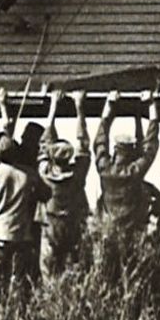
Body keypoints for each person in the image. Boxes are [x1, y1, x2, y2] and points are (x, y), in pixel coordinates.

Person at [94, 90, 160, 256]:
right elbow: (150, 146)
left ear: (115, 151)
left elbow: (100, 140)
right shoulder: (134, 172)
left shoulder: (105, 170)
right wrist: (152, 105)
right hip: (131, 236)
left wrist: (109, 105)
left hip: (108, 234)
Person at [0, 132, 39, 300]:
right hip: (21, 235)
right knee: (17, 280)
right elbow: (44, 194)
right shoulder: (29, 174)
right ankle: (15, 316)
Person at [37, 90, 93, 277]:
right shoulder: (77, 175)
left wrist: (53, 105)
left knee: (48, 274)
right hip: (71, 227)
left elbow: (45, 142)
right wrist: (79, 106)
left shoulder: (45, 172)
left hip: (50, 228)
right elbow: (83, 143)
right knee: (72, 273)